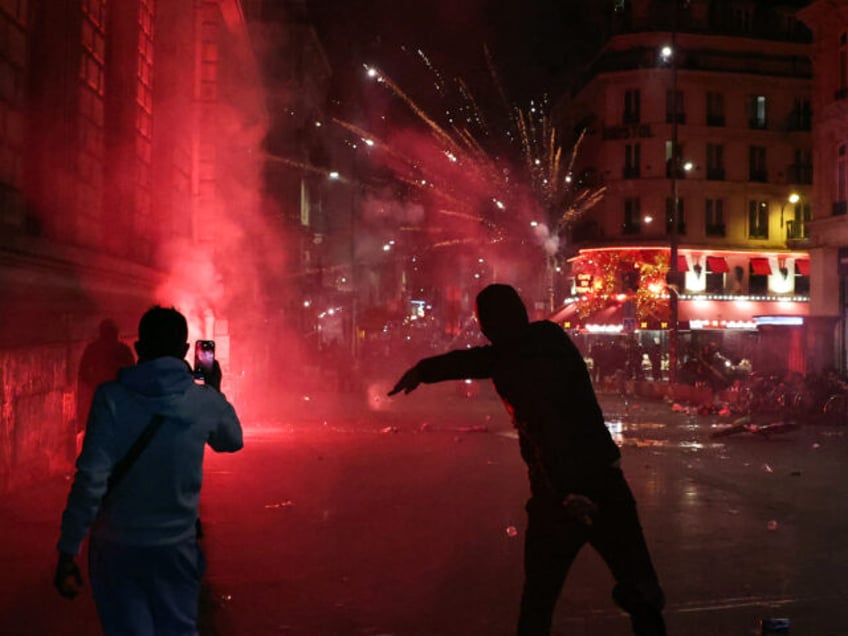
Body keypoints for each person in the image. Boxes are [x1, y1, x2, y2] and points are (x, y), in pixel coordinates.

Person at [389, 284, 665, 636]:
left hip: (561, 494)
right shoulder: (545, 339)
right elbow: (476, 361)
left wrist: (566, 492)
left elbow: (549, 428)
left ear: (490, 324)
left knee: (539, 603)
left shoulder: (515, 356)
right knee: (638, 588)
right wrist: (423, 370)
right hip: (601, 483)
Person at [55, 305, 244, 635]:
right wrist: (213, 389)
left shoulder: (110, 398)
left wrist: (69, 547)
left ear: (139, 349)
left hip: (115, 549)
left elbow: (91, 480)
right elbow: (232, 440)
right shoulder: (201, 400)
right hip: (176, 549)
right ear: (186, 351)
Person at [76, 318, 135, 433]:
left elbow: (83, 372)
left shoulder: (93, 349)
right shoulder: (123, 350)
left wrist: (93, 383)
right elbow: (132, 372)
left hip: (102, 395)